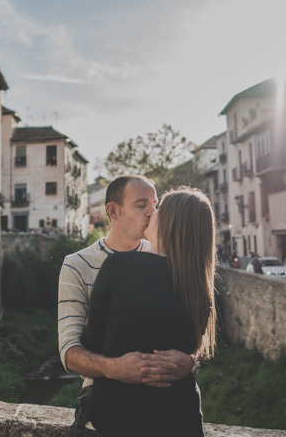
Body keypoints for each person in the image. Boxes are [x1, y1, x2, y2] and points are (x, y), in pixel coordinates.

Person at [58, 176, 195, 436]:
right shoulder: (76, 264)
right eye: (141, 204)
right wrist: (116, 369)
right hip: (103, 402)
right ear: (113, 210)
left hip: (164, 408)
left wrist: (192, 362)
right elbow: (69, 352)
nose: (152, 213)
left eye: (154, 204)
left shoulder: (167, 256)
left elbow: (194, 337)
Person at [81, 187, 217, 437]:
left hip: (120, 419)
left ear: (170, 223)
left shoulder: (119, 264)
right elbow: (195, 350)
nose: (152, 212)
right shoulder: (199, 286)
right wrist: (191, 363)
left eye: (159, 208)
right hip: (181, 420)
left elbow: (91, 343)